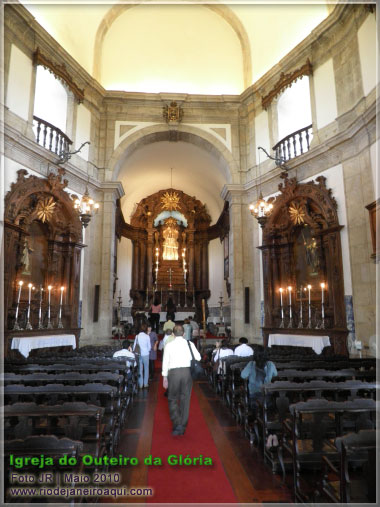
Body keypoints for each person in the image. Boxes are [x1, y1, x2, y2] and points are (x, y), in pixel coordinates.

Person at [162, 324, 201, 436]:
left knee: (172, 398)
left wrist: (165, 377)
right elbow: (198, 357)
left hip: (173, 373)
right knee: (185, 398)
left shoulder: (169, 345)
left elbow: (165, 362)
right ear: (184, 334)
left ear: (173, 334)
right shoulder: (189, 344)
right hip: (186, 373)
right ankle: (182, 425)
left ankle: (177, 422)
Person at [240, 349, 277, 416]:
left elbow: (243, 375)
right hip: (267, 392)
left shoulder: (251, 364)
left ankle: (255, 415)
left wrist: (250, 376)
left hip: (254, 393)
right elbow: (275, 374)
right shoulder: (270, 364)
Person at [133, 323, 151, 389]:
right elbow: (149, 347)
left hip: (139, 354)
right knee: (146, 368)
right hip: (146, 354)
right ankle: (145, 383)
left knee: (140, 369)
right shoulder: (147, 336)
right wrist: (147, 350)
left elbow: (134, 346)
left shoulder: (137, 336)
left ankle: (140, 384)